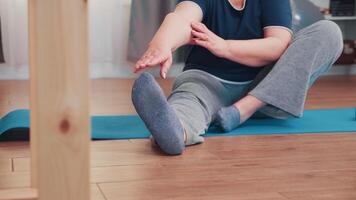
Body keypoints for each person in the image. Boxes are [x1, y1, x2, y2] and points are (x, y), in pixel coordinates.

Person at [131, 0, 343, 155]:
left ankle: (243, 110)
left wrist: (225, 47)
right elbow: (182, 19)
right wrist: (162, 44)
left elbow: (277, 45)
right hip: (206, 80)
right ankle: (176, 131)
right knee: (186, 106)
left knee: (329, 31)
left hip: (266, 89)